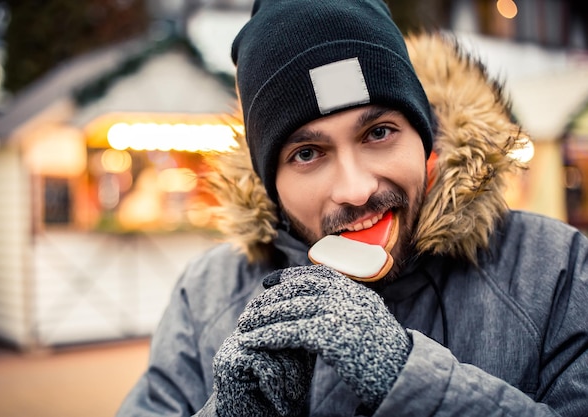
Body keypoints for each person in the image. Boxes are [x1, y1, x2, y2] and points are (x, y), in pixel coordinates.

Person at [117, 0, 588, 415]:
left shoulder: (554, 270)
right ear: (270, 185)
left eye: (378, 132)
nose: (357, 189)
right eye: (307, 154)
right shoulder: (206, 296)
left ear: (425, 140)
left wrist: (408, 377)